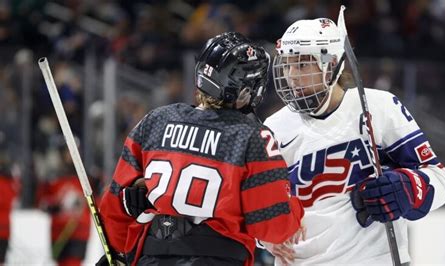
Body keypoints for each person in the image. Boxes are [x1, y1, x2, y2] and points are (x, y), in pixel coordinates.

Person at [262, 7, 445, 265]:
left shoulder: (379, 107)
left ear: (330, 65)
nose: (292, 76)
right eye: (287, 65)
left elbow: (439, 178)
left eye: (303, 64)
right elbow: (258, 204)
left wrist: (407, 188)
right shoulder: (274, 128)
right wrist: (263, 235)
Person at [97, 32, 304, 266]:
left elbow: (115, 205)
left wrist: (119, 251)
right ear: (246, 88)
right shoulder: (252, 136)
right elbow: (274, 227)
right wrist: (295, 210)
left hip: (152, 256)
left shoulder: (156, 121)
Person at [38, 141, 91, 266]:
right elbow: (42, 202)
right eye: (67, 152)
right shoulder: (53, 177)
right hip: (58, 232)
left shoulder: (86, 177)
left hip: (78, 230)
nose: (70, 155)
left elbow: (97, 204)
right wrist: (51, 206)